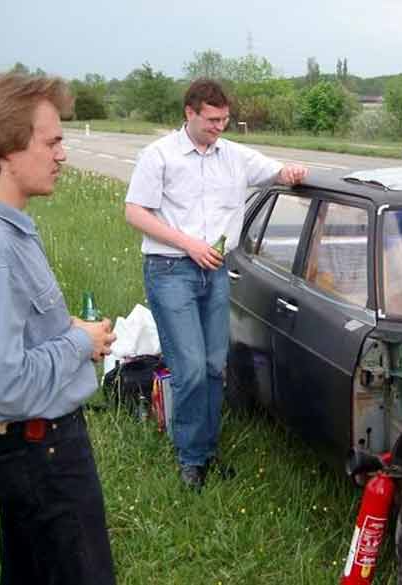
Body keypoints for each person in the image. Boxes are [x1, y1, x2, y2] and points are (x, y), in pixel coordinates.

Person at [0, 73, 117, 584]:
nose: (62, 154)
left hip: (28, 448)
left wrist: (65, 329)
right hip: (41, 453)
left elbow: (11, 335)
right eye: (52, 141)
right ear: (7, 150)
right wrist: (79, 342)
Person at [125, 78, 307, 491]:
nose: (219, 127)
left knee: (212, 367)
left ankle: (205, 452)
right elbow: (135, 212)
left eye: (224, 119)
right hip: (171, 270)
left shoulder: (235, 156)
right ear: (189, 113)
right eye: (211, 120)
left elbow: (275, 171)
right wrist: (188, 244)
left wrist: (291, 172)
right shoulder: (160, 156)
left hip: (216, 272)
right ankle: (190, 459)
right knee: (188, 369)